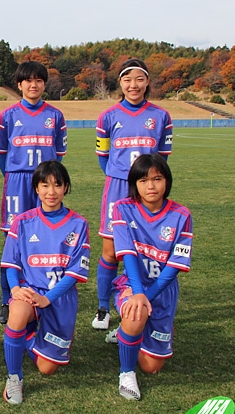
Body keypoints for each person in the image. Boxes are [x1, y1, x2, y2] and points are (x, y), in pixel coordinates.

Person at [92, 58, 173, 332]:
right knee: (110, 251)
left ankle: (140, 304)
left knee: (143, 249)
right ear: (120, 83)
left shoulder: (161, 116)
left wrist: (147, 182)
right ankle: (103, 307)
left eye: (139, 79)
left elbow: (162, 160)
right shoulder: (108, 116)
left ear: (147, 82)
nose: (133, 85)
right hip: (117, 188)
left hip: (148, 188)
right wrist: (120, 177)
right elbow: (103, 156)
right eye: (127, 80)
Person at [0, 160, 89, 405]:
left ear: (66, 187)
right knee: (17, 312)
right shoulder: (22, 221)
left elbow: (74, 273)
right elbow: (11, 263)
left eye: (57, 185)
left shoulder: (78, 224)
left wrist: (48, 298)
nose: (51, 191)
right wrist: (16, 289)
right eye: (45, 185)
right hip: (30, 291)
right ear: (36, 188)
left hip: (60, 297)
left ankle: (28, 337)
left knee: (46, 369)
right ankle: (14, 377)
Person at [110, 154, 191, 401]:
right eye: (143, 180)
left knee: (152, 367)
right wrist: (138, 293)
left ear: (167, 181)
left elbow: (174, 266)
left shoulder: (181, 215)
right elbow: (128, 255)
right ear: (135, 184)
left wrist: (147, 295)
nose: (151, 186)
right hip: (132, 284)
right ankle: (126, 374)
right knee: (137, 312)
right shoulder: (123, 208)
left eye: (157, 179)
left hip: (163, 290)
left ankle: (131, 331)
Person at [0, 61, 67, 325]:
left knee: (45, 238)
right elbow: (1, 154)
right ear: (19, 84)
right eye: (28, 80)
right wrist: (14, 175)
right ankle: (7, 300)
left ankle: (43, 294)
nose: (33, 85)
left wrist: (47, 180)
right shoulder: (8, 115)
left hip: (46, 182)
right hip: (17, 182)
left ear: (44, 84)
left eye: (38, 80)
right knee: (11, 243)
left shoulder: (55, 116)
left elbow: (58, 154)